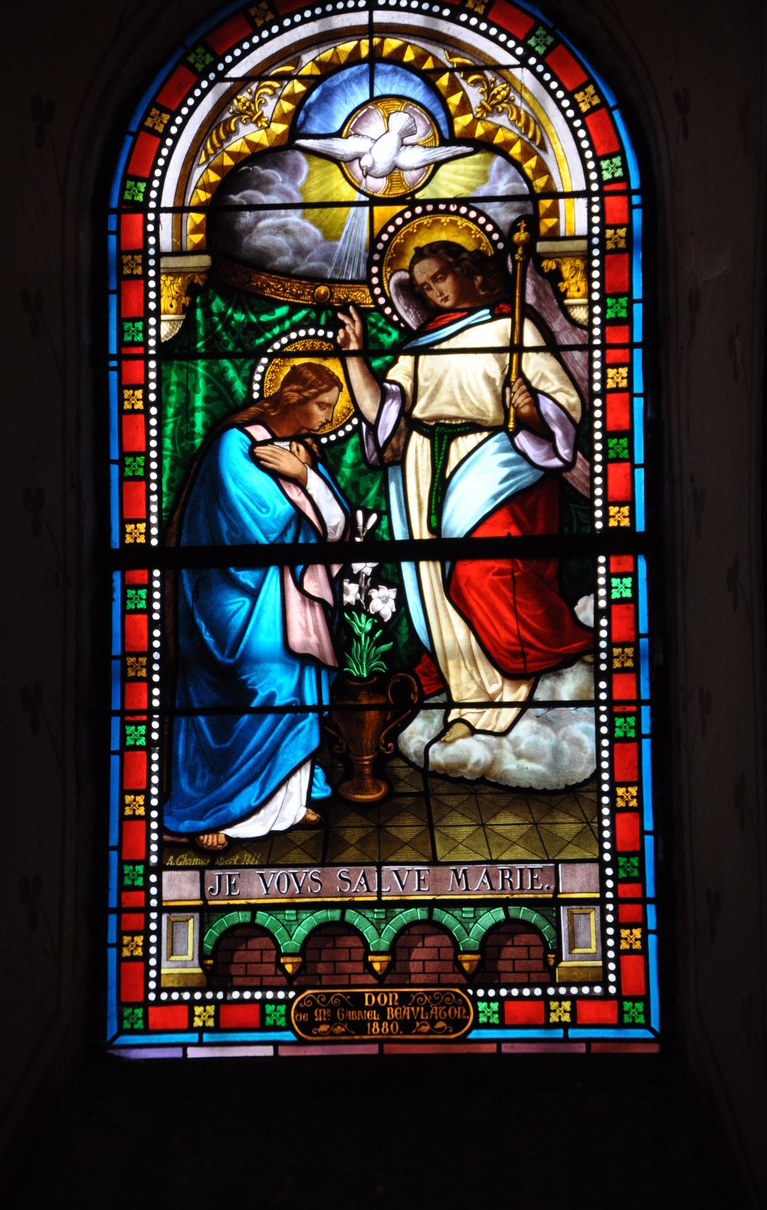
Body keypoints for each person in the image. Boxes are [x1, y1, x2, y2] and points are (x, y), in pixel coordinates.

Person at [338, 238, 592, 742]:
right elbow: (383, 414)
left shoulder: (512, 328)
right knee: (438, 590)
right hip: (426, 470)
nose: (434, 291)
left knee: (482, 574)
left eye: (440, 277)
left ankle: (558, 650)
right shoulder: (418, 348)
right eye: (424, 287)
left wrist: (531, 411)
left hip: (498, 464)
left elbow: (564, 404)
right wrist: (353, 359)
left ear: (470, 272)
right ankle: (473, 700)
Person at [163, 362, 348, 850]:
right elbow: (258, 527)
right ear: (294, 396)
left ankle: (285, 801)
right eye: (321, 405)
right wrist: (303, 485)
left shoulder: (300, 453)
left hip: (285, 598)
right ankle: (217, 810)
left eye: (332, 408)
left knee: (296, 683)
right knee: (258, 683)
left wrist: (306, 475)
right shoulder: (234, 446)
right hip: (232, 597)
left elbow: (336, 526)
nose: (328, 417)